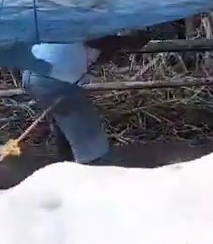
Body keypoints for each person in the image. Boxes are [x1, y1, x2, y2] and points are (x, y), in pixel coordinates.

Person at [22, 32, 152, 165]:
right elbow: (99, 40)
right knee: (86, 132)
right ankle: (95, 166)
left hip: (35, 74)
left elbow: (99, 50)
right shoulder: (96, 26)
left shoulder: (68, 19)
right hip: (54, 77)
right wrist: (125, 41)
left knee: (66, 125)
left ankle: (68, 165)